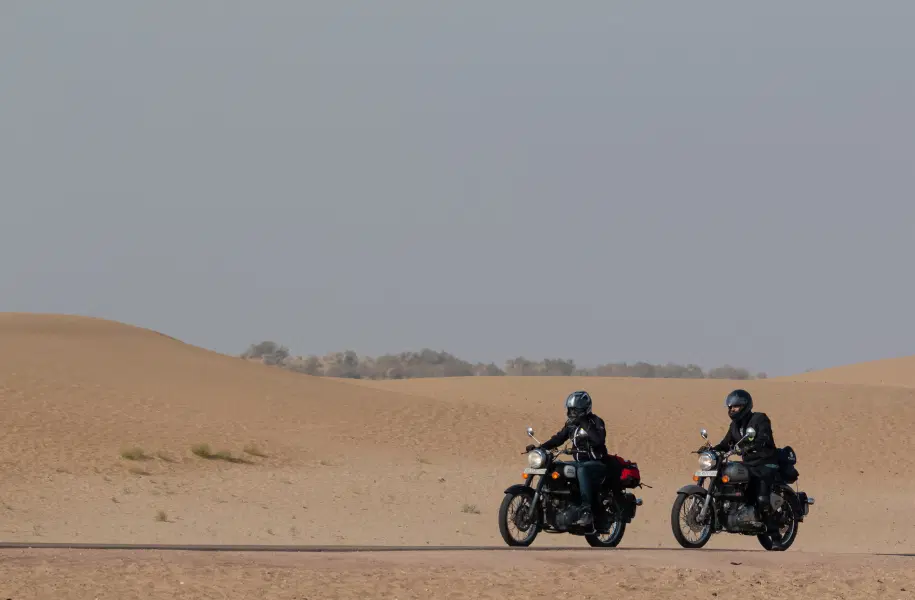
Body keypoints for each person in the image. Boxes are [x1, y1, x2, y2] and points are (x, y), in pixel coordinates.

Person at [526, 390, 609, 529]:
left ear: (583, 409)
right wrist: (540, 448)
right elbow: (558, 438)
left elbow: (599, 439)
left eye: (575, 410)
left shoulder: (595, 421)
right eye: (570, 409)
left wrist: (584, 423)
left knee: (582, 469)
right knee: (555, 467)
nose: (572, 413)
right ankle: (553, 503)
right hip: (578, 463)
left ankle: (586, 510)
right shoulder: (571, 424)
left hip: (596, 463)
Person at [712, 388, 779, 535]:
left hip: (766, 462)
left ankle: (775, 535)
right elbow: (726, 444)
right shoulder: (734, 426)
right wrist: (712, 450)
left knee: (762, 497)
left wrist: (749, 446)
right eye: (730, 407)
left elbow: (763, 438)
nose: (732, 409)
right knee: (725, 476)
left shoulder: (759, 418)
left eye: (736, 406)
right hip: (749, 464)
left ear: (745, 406)